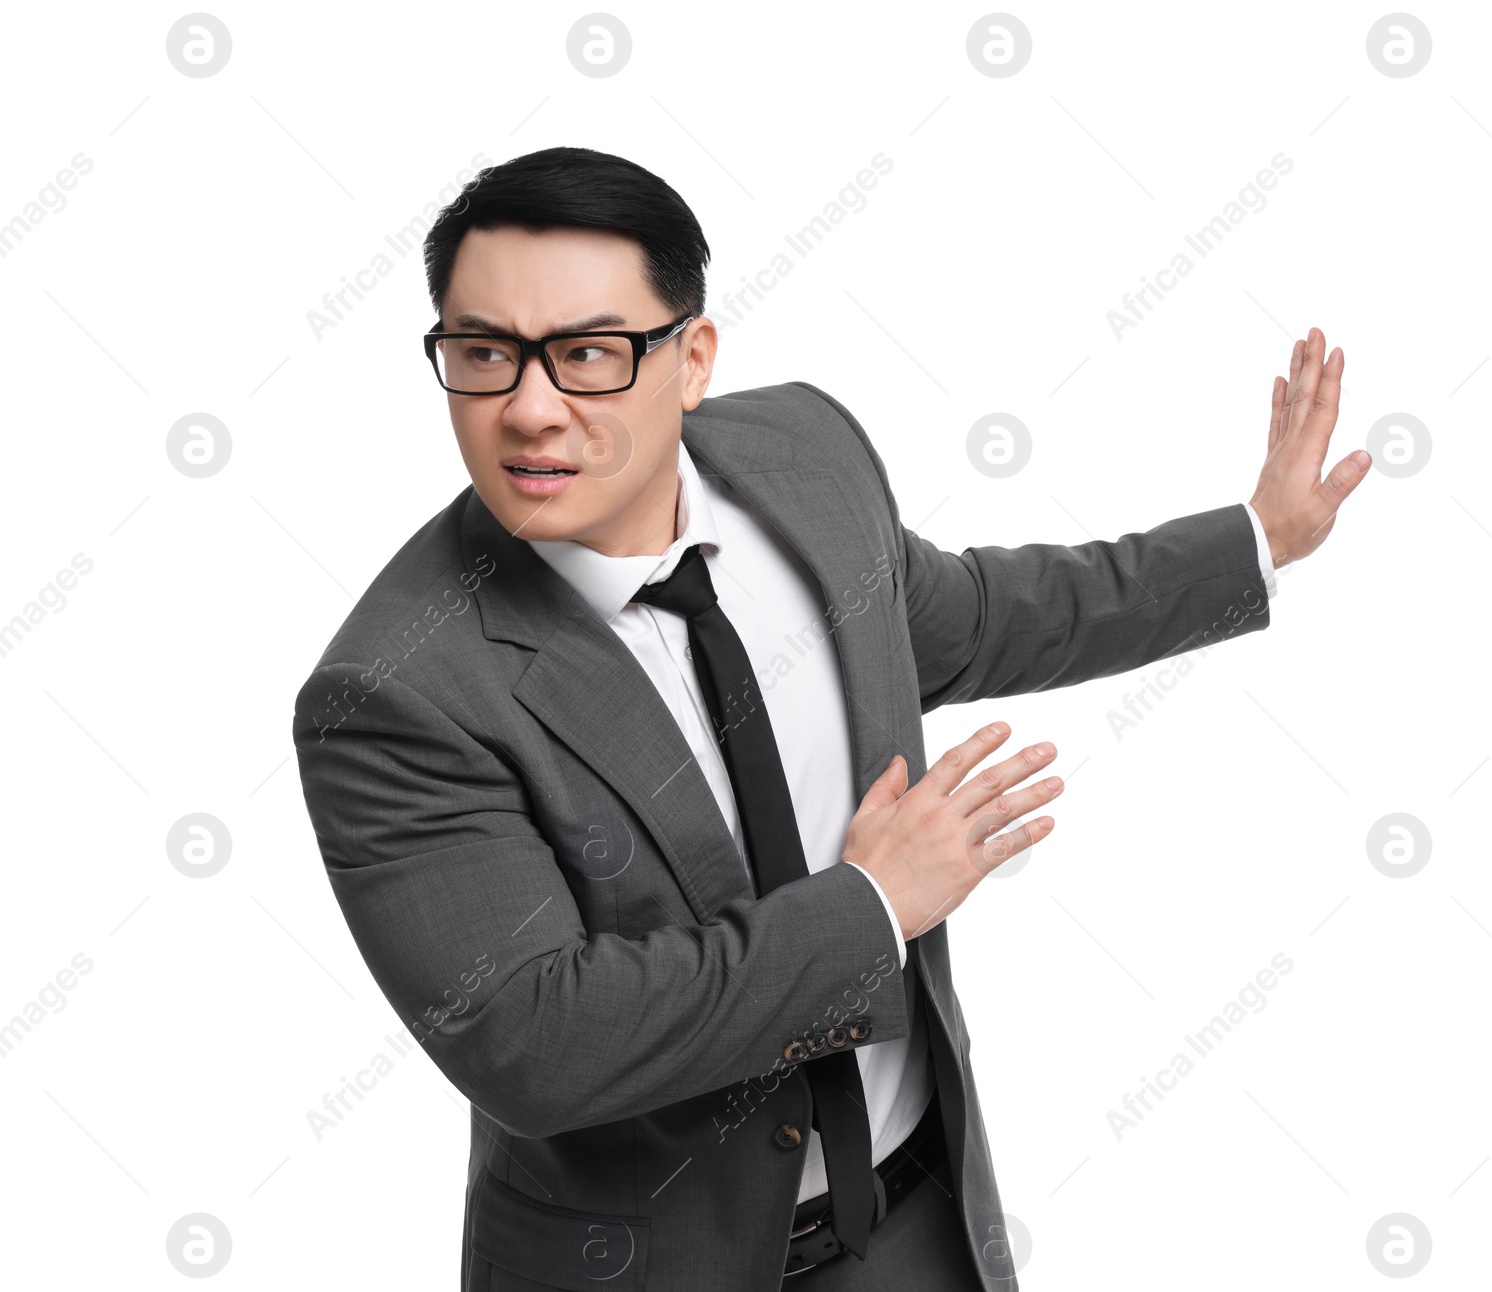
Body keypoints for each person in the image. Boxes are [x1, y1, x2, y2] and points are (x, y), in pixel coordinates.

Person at [292, 145, 1369, 1291]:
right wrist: (870, 905)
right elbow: (541, 1042)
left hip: (907, 1213)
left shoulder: (801, 460)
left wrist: (1254, 538)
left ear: (691, 357)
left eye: (590, 354)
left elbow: (970, 615)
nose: (530, 408)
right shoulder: (396, 690)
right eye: (484, 355)